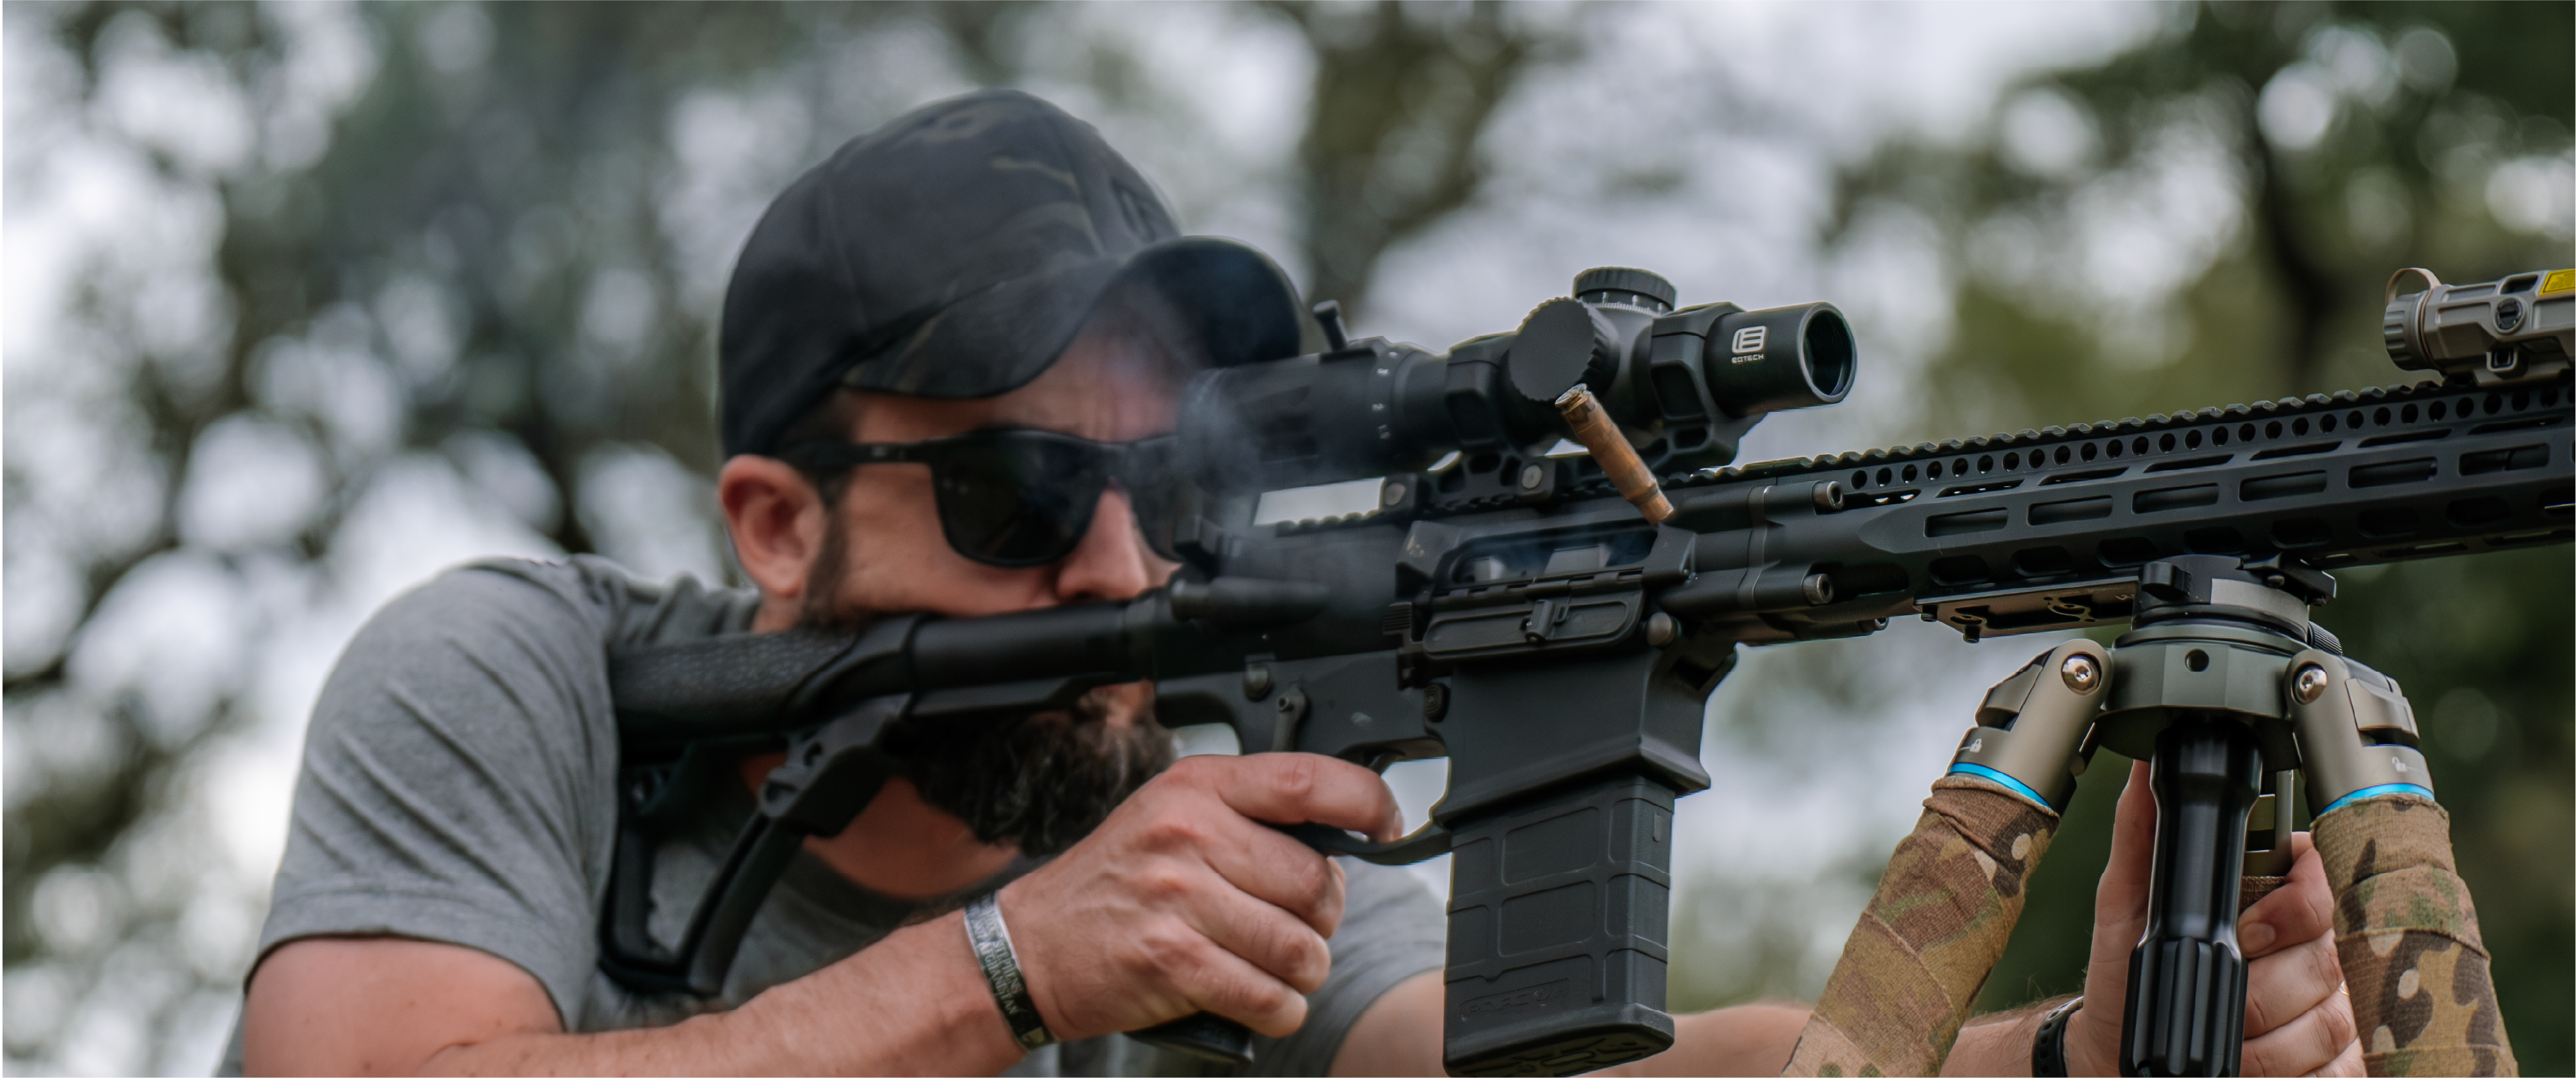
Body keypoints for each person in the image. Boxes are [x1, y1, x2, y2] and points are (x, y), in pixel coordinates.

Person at [226, 90, 2360, 1078]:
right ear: (776, 520)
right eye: (1021, 490)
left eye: (1160, 483)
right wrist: (1007, 962)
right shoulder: (523, 680)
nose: (1115, 560)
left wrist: (2067, 1053)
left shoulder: (1202, 727)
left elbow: (1556, 1076)